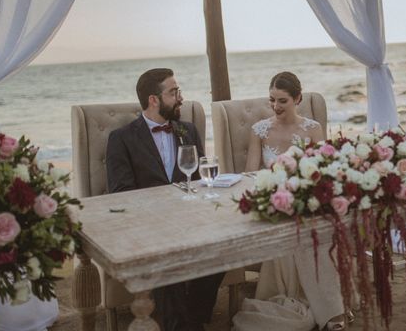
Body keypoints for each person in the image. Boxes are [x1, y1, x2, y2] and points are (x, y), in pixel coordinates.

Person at [106, 68, 224, 331]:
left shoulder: (188, 131)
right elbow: (121, 193)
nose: (180, 97)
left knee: (221, 250)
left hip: (190, 222)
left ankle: (189, 322)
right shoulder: (121, 139)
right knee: (167, 257)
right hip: (148, 227)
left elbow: (199, 182)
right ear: (153, 100)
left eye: (178, 91)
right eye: (173, 92)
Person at [232, 72, 348, 331]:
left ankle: (328, 309)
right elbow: (250, 175)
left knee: (315, 231)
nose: (275, 106)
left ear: (298, 98)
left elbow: (325, 171)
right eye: (271, 100)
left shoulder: (313, 129)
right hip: (274, 204)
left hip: (306, 202)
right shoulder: (259, 130)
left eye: (282, 101)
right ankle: (328, 311)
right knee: (294, 231)